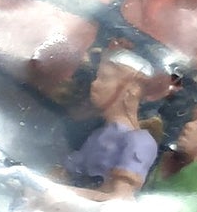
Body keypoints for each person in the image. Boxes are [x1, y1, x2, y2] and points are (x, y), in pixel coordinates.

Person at [57, 49, 160, 196]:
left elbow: (118, 199)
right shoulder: (100, 134)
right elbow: (66, 173)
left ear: (130, 90)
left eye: (104, 78)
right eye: (97, 77)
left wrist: (61, 193)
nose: (94, 84)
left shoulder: (140, 142)